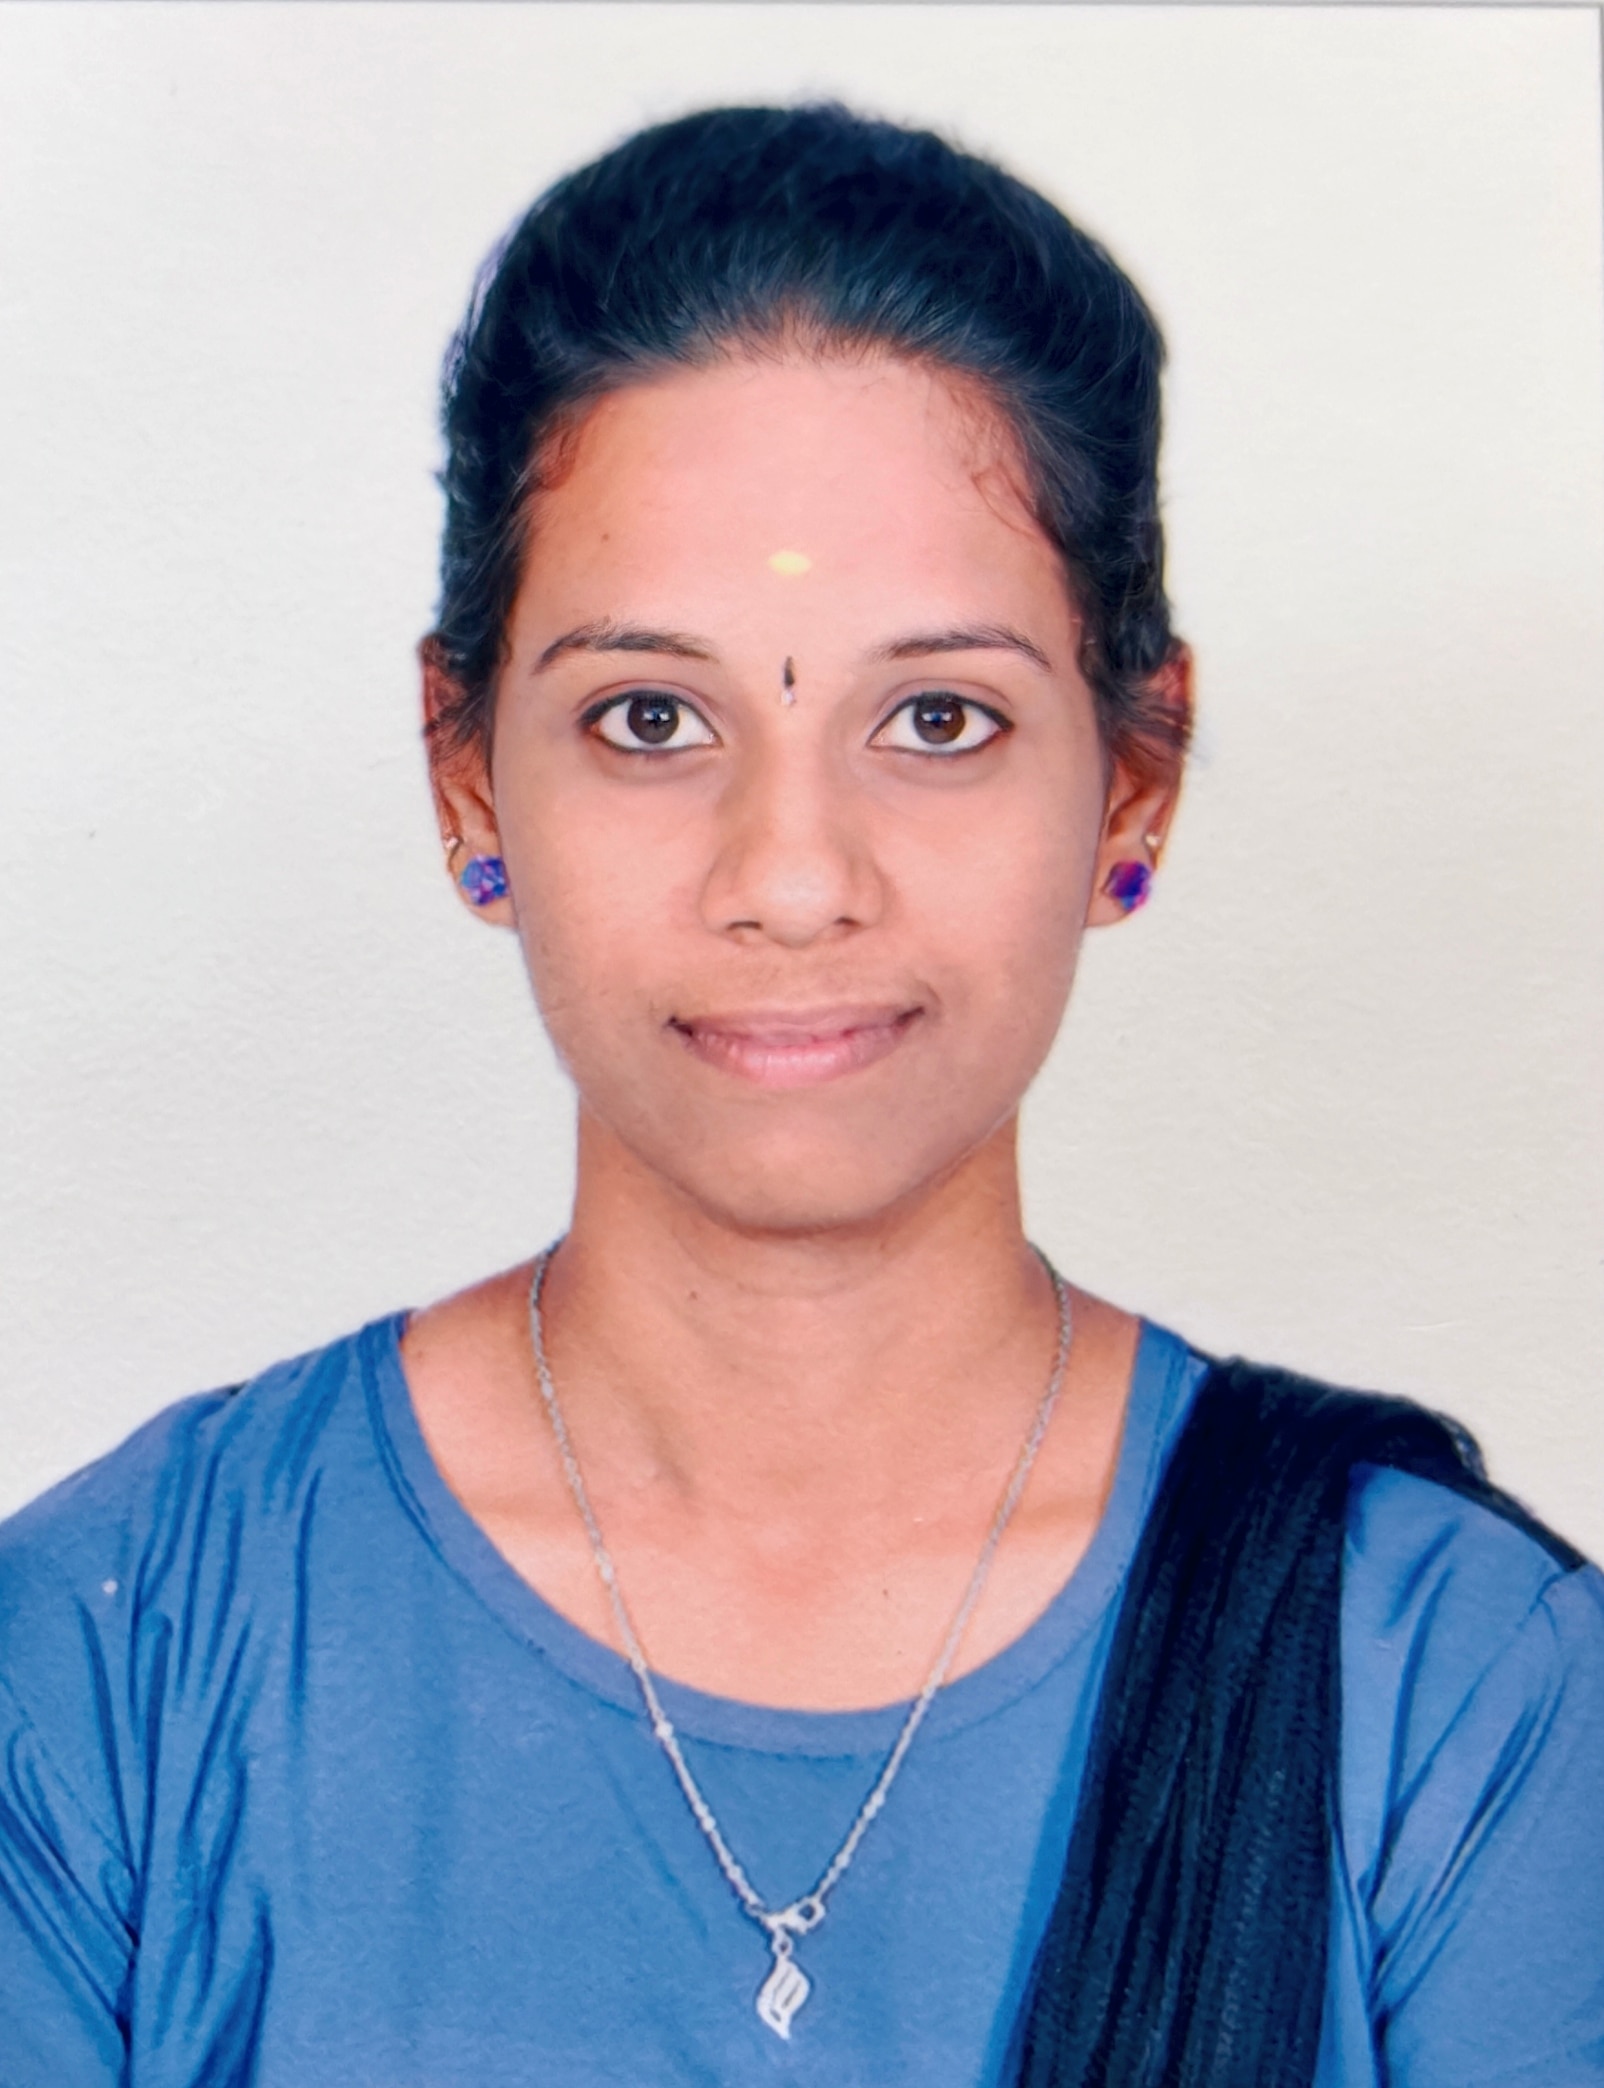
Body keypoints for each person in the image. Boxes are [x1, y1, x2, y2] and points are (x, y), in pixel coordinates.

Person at [1, 101, 1600, 2088]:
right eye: (648, 718)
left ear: (1134, 781)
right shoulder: (112, 1669)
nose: (788, 877)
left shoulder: (1446, 1691)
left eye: (935, 718)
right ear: (465, 774)